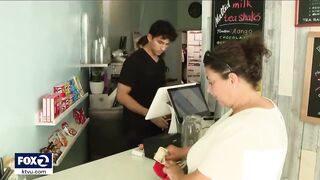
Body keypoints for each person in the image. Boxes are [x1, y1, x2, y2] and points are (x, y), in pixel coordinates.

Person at [163, 34, 288, 180]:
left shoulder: (246, 127)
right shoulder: (258, 107)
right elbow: (220, 148)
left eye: (211, 82)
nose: (209, 90)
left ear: (232, 79)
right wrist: (183, 152)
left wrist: (176, 175)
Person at [117, 20, 177, 148]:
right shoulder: (133, 61)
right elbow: (121, 96)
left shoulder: (160, 62)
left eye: (167, 44)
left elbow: (158, 91)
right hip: (136, 127)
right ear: (149, 37)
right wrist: (149, 115)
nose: (163, 48)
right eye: (160, 42)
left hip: (155, 125)